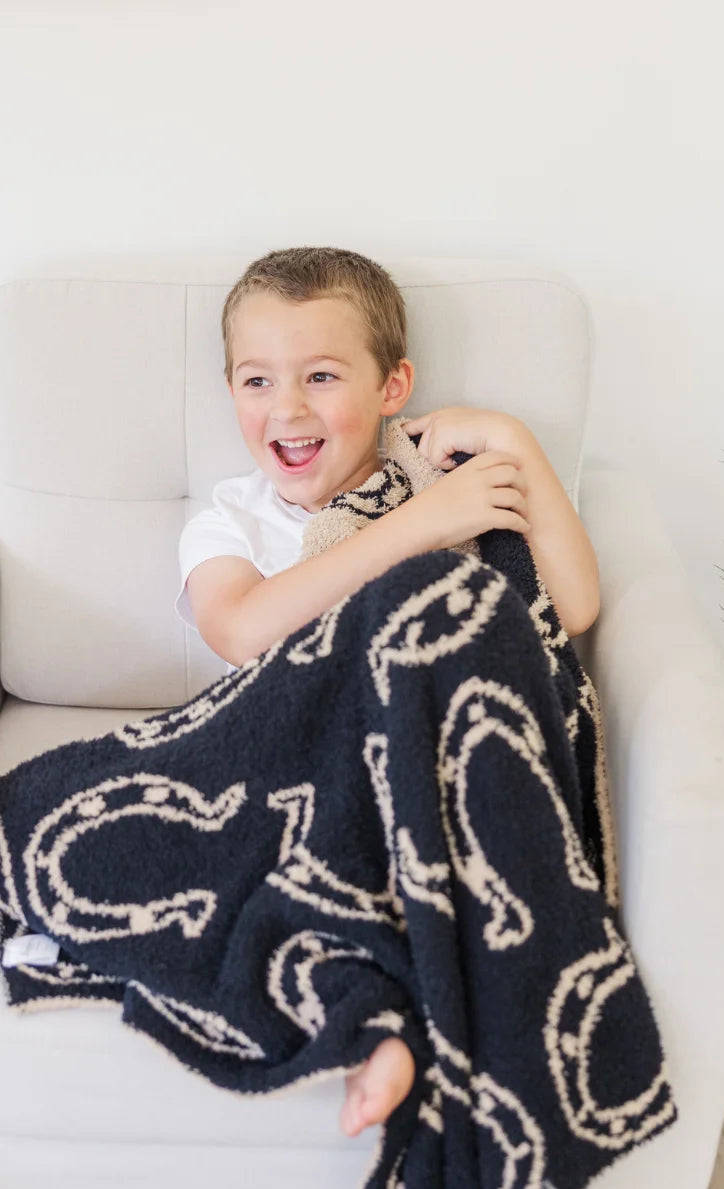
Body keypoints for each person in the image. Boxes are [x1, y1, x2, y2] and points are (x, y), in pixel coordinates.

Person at [174, 245, 601, 1141]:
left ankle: (402, 1026)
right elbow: (246, 630)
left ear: (392, 386)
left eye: (321, 376)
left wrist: (516, 446)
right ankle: (386, 1024)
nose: (286, 407)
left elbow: (573, 605)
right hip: (305, 770)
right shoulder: (229, 521)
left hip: (439, 764)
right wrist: (419, 529)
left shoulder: (443, 479)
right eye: (256, 381)